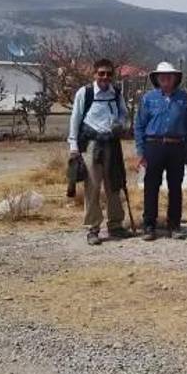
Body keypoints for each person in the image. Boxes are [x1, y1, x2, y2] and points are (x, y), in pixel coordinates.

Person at [67, 58, 130, 245]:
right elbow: (75, 119)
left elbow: (124, 114)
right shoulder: (84, 93)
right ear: (94, 74)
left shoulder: (116, 93)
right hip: (91, 145)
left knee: (114, 185)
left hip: (112, 143)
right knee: (92, 187)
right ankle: (93, 229)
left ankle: (116, 225)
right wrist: (73, 147)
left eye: (109, 74)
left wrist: (121, 125)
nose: (105, 77)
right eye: (101, 73)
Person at [135, 61, 187, 241]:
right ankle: (149, 225)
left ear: (175, 78)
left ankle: (174, 225)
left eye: (169, 76)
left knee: (175, 187)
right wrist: (141, 152)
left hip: (176, 145)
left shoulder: (183, 98)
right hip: (154, 145)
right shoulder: (148, 98)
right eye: (162, 77)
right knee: (151, 186)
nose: (166, 79)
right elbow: (139, 125)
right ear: (157, 79)